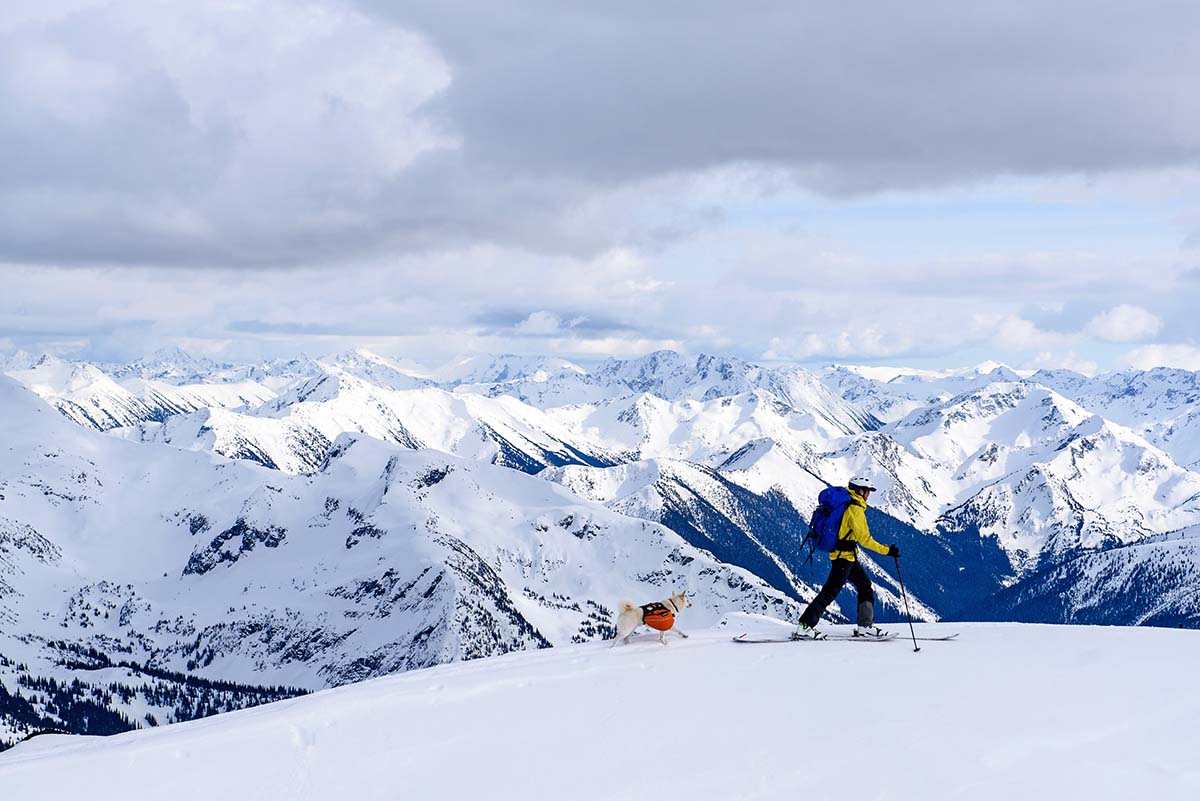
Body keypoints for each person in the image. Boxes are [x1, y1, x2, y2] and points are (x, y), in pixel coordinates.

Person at [795, 476, 899, 639]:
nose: (868, 495)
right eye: (867, 491)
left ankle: (865, 626)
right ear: (861, 491)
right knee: (830, 591)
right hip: (844, 558)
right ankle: (805, 625)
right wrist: (888, 551)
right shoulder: (855, 510)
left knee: (864, 584)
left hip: (846, 556)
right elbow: (865, 540)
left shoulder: (847, 504)